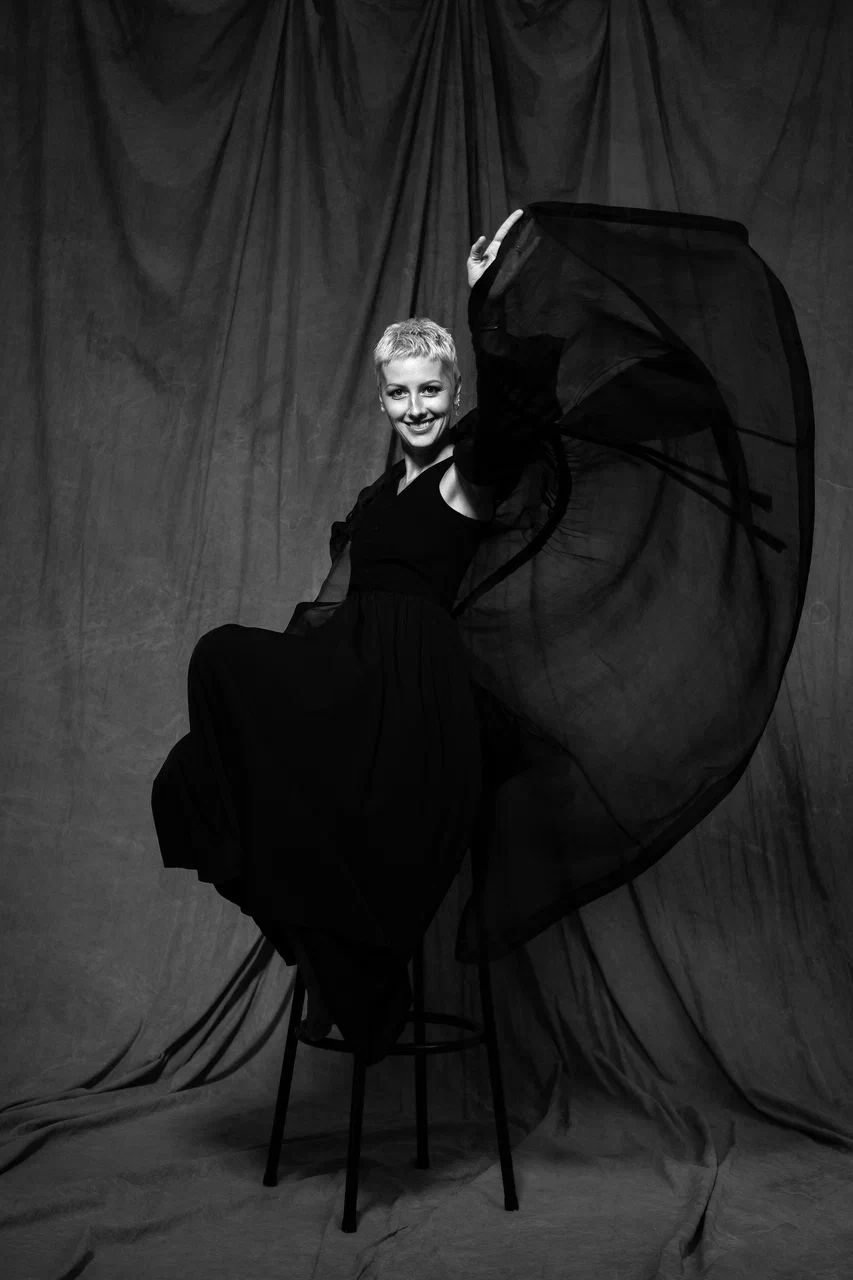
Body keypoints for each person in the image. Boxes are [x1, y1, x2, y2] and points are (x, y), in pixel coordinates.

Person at [153, 202, 813, 1065]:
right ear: (382, 400)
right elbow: (337, 601)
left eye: (432, 390)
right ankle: (336, 954)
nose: (416, 407)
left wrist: (485, 298)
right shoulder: (378, 498)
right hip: (356, 672)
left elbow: (512, 418)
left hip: (413, 690)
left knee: (224, 660)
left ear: (454, 393)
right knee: (201, 760)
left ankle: (352, 960)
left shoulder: (465, 478)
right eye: (400, 393)